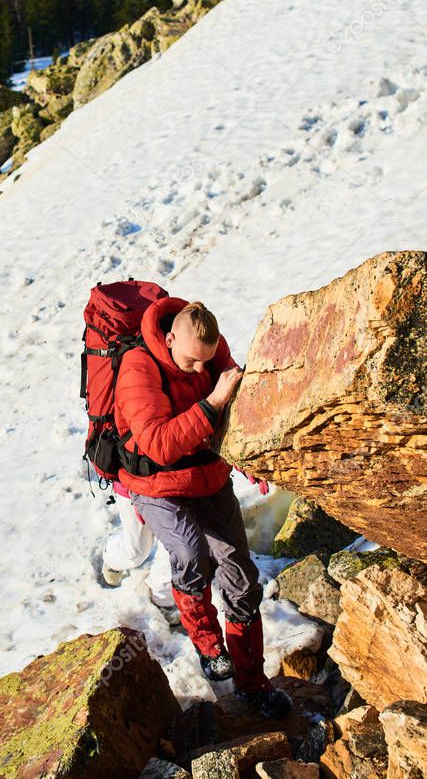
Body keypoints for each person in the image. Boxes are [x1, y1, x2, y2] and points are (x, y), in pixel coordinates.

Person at [113, 296, 292, 718]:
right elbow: (157, 445)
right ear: (170, 337)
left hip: (208, 478)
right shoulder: (138, 368)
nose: (199, 370)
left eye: (206, 362)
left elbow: (235, 416)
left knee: (242, 578)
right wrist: (211, 401)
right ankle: (210, 648)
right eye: (192, 362)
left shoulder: (211, 355)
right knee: (191, 553)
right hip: (156, 485)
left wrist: (251, 459)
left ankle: (252, 682)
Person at [101, 479, 179, 624]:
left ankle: (163, 599)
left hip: (174, 485)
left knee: (172, 547)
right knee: (136, 551)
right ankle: (112, 556)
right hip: (132, 481)